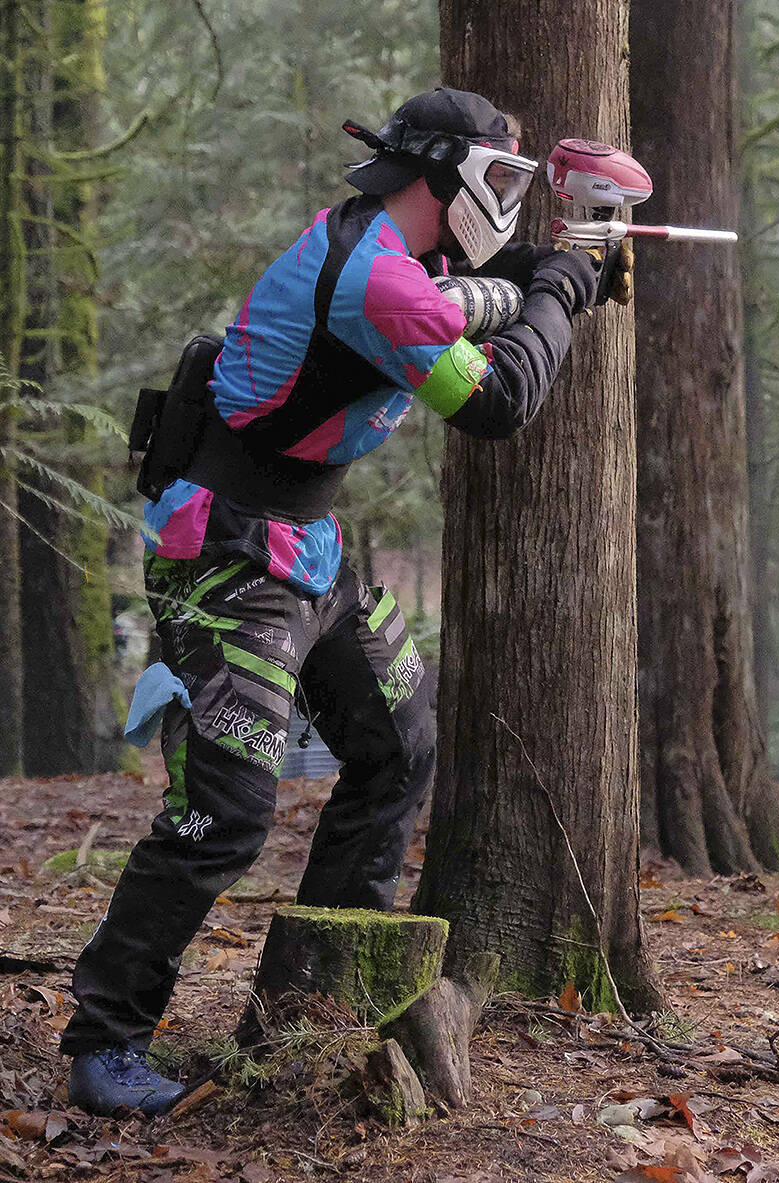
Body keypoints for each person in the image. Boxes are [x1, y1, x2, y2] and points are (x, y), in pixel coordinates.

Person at [62, 87, 604, 1115]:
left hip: (308, 547)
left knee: (399, 746)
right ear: (438, 175)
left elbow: (470, 289)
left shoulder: (396, 250)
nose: (509, 206)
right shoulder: (378, 280)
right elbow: (498, 402)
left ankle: (319, 1003)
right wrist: (560, 296)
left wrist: (544, 272)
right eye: (500, 182)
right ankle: (102, 1040)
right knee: (223, 813)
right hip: (226, 553)